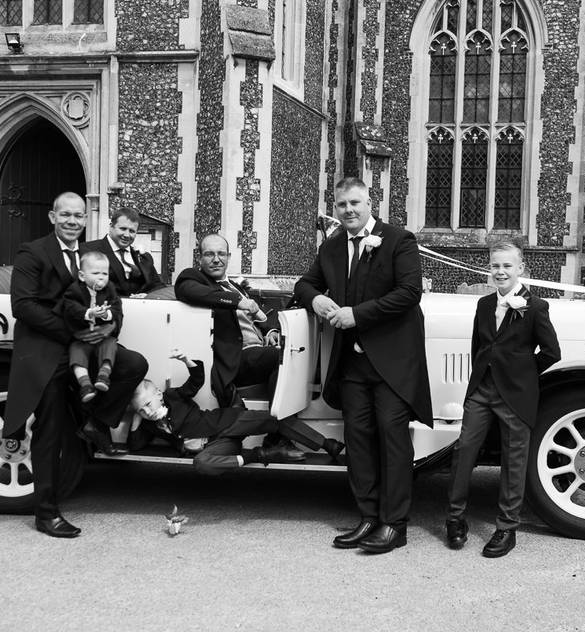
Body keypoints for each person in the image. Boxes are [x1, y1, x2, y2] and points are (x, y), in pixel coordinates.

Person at [294, 177, 433, 554]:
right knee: (358, 442)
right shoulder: (333, 245)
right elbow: (304, 284)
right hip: (351, 364)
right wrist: (317, 301)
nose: (348, 210)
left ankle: (395, 524)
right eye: (341, 205)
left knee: (392, 441)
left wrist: (358, 315)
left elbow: (409, 293)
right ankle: (368, 517)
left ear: (370, 203)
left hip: (391, 362)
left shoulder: (398, 240)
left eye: (355, 203)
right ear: (336, 208)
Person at [2, 192, 149, 538]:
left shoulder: (88, 257)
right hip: (46, 344)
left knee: (133, 364)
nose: (72, 221)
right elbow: (23, 307)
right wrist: (74, 332)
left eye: (78, 216)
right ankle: (46, 512)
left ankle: (92, 422)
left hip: (86, 339)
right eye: (65, 215)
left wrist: (111, 327)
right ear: (53, 217)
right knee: (50, 424)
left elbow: (113, 295)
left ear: (86, 220)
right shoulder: (33, 251)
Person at [445, 240, 560, 558]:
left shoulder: (535, 307)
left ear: (520, 268)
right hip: (481, 392)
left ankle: (507, 528)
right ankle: (455, 518)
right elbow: (477, 348)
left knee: (513, 461)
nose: (500, 271)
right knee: (464, 450)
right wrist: (478, 381)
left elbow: (552, 353)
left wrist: (523, 375)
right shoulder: (483, 305)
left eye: (507, 266)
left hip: (516, 397)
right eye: (495, 265)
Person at [128, 350, 344, 474]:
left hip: (228, 422)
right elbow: (136, 446)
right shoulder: (149, 423)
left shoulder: (173, 396)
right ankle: (259, 455)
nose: (147, 411)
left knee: (274, 420)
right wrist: (137, 416)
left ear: (158, 394)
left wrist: (187, 361)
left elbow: (195, 383)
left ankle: (327, 444)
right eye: (142, 410)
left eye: (148, 404)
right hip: (218, 444)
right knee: (201, 464)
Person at [175, 234, 281, 407]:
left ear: (229, 257)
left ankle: (278, 420)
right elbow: (189, 291)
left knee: (292, 355)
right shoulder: (193, 278)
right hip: (234, 359)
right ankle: (277, 423)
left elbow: (255, 314)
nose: (216, 259)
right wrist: (237, 301)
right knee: (282, 356)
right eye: (209, 254)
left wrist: (270, 331)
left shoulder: (234, 285)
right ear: (199, 258)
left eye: (221, 254)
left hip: (257, 350)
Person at [59, 250, 123, 403]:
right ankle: (85, 385)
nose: (101, 277)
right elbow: (70, 308)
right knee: (76, 354)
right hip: (82, 337)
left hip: (103, 337)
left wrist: (106, 315)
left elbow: (116, 307)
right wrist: (88, 313)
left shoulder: (110, 289)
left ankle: (103, 376)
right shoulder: (75, 290)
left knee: (110, 346)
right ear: (82, 276)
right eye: (95, 273)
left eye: (105, 273)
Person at [82, 207, 164, 297]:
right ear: (111, 226)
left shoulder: (145, 257)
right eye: (123, 229)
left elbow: (158, 287)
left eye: (132, 231)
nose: (127, 235)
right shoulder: (88, 250)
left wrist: (147, 296)